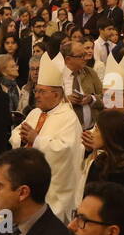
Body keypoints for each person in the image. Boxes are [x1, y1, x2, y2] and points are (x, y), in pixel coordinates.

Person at [10, 57, 82, 223]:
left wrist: (37, 140)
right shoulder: (35, 113)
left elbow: (65, 150)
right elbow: (16, 134)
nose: (37, 96)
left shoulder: (68, 117)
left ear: (56, 94)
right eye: (36, 91)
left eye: (42, 92)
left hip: (54, 191)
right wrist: (22, 140)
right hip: (27, 182)